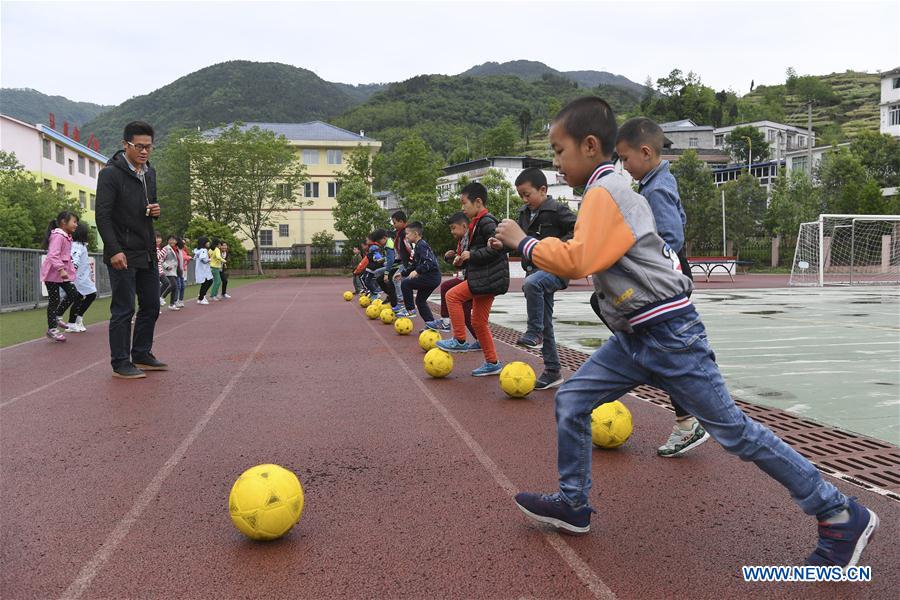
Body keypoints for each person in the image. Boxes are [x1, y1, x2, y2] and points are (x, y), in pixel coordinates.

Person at [492, 96, 878, 569]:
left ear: (590, 146)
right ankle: (574, 504)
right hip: (636, 336)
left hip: (669, 333)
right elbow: (591, 252)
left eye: (558, 150)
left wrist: (523, 242)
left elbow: (580, 260)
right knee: (572, 400)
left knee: (734, 431)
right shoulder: (608, 191)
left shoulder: (605, 190)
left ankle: (839, 512)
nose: (554, 163)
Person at [615, 116, 706, 457]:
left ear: (646, 152)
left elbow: (671, 237)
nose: (624, 166)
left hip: (664, 286)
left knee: (664, 353)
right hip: (666, 282)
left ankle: (688, 421)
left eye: (625, 159)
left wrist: (637, 260)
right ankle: (687, 419)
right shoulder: (655, 183)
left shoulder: (657, 189)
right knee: (663, 352)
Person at [95, 121, 167, 378]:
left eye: (149, 147)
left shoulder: (150, 173)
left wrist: (155, 212)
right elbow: (102, 216)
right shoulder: (110, 174)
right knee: (124, 309)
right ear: (126, 145)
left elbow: (148, 209)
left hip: (145, 250)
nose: (144, 151)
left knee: (151, 305)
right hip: (122, 252)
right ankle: (120, 362)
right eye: (139, 146)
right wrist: (113, 250)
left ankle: (141, 353)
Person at [509, 168, 577, 390]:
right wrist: (503, 244)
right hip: (535, 268)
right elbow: (519, 240)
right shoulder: (523, 213)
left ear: (543, 190)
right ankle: (552, 371)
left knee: (532, 284)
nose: (524, 199)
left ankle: (534, 332)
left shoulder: (557, 210)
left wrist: (556, 246)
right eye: (520, 195)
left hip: (556, 268)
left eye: (527, 194)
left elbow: (579, 230)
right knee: (546, 319)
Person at [436, 182, 509, 376]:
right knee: (478, 322)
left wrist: (472, 255)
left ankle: (459, 339)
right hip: (484, 278)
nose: (462, 208)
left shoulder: (487, 222)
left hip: (487, 279)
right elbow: (479, 252)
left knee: (452, 296)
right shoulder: (476, 224)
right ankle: (492, 362)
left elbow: (496, 248)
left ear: (477, 202)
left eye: (463, 203)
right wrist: (462, 258)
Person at [40, 211, 79, 342]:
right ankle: (52, 329)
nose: (76, 225)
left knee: (73, 294)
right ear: (63, 222)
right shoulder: (58, 236)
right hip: (53, 274)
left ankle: (56, 316)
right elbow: (53, 254)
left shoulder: (66, 236)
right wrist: (61, 269)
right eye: (74, 221)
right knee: (54, 300)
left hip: (60, 275)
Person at [394, 221, 441, 321]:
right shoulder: (418, 246)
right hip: (432, 278)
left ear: (415, 234)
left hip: (431, 277)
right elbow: (415, 265)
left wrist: (418, 271)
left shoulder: (421, 245)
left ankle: (410, 310)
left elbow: (429, 262)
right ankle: (430, 324)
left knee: (406, 283)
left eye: (407, 234)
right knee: (420, 301)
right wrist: (402, 273)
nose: (406, 236)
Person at [59, 221, 97, 332]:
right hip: (78, 278)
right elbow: (74, 260)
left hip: (81, 277)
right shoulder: (77, 246)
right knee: (83, 296)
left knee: (85, 296)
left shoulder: (79, 245)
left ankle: (76, 320)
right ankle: (73, 322)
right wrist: (72, 273)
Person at [390, 210, 413, 305]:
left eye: (395, 223)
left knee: (398, 279)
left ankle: (402, 302)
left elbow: (410, 249)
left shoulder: (404, 234)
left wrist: (412, 263)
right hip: (404, 262)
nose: (393, 225)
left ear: (401, 222)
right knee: (402, 281)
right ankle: (404, 302)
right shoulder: (399, 233)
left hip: (408, 263)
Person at [161, 235, 180, 310]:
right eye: (171, 240)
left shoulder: (175, 249)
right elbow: (161, 259)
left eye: (174, 240)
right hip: (168, 270)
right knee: (173, 284)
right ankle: (162, 297)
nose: (173, 241)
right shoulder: (166, 248)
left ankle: (172, 304)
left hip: (174, 270)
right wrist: (166, 266)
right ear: (168, 240)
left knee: (175, 287)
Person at [194, 236, 213, 304]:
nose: (209, 243)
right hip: (203, 270)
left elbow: (195, 257)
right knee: (208, 282)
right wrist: (209, 259)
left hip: (201, 269)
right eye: (207, 242)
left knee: (207, 282)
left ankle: (201, 296)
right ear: (204, 243)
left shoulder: (198, 250)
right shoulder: (203, 250)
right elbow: (204, 260)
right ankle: (201, 297)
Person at [155, 233, 172, 307]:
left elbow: (160, 260)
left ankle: (158, 298)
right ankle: (156, 303)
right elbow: (157, 258)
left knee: (166, 282)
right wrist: (164, 250)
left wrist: (166, 266)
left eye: (159, 237)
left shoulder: (158, 248)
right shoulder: (154, 248)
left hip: (160, 271)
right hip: (155, 271)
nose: (159, 239)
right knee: (156, 287)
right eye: (156, 238)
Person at [175, 237, 190, 308]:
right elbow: (184, 257)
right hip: (176, 270)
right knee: (178, 286)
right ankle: (175, 301)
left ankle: (181, 300)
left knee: (183, 286)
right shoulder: (175, 250)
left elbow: (185, 257)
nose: (184, 244)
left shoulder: (182, 250)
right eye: (183, 243)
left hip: (181, 270)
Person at [208, 237, 225, 301]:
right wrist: (223, 260)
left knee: (216, 281)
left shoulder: (210, 250)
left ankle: (215, 294)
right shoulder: (217, 249)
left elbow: (209, 257)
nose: (220, 245)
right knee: (217, 281)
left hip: (211, 266)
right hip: (215, 267)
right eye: (220, 244)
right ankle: (213, 295)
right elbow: (218, 257)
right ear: (217, 244)